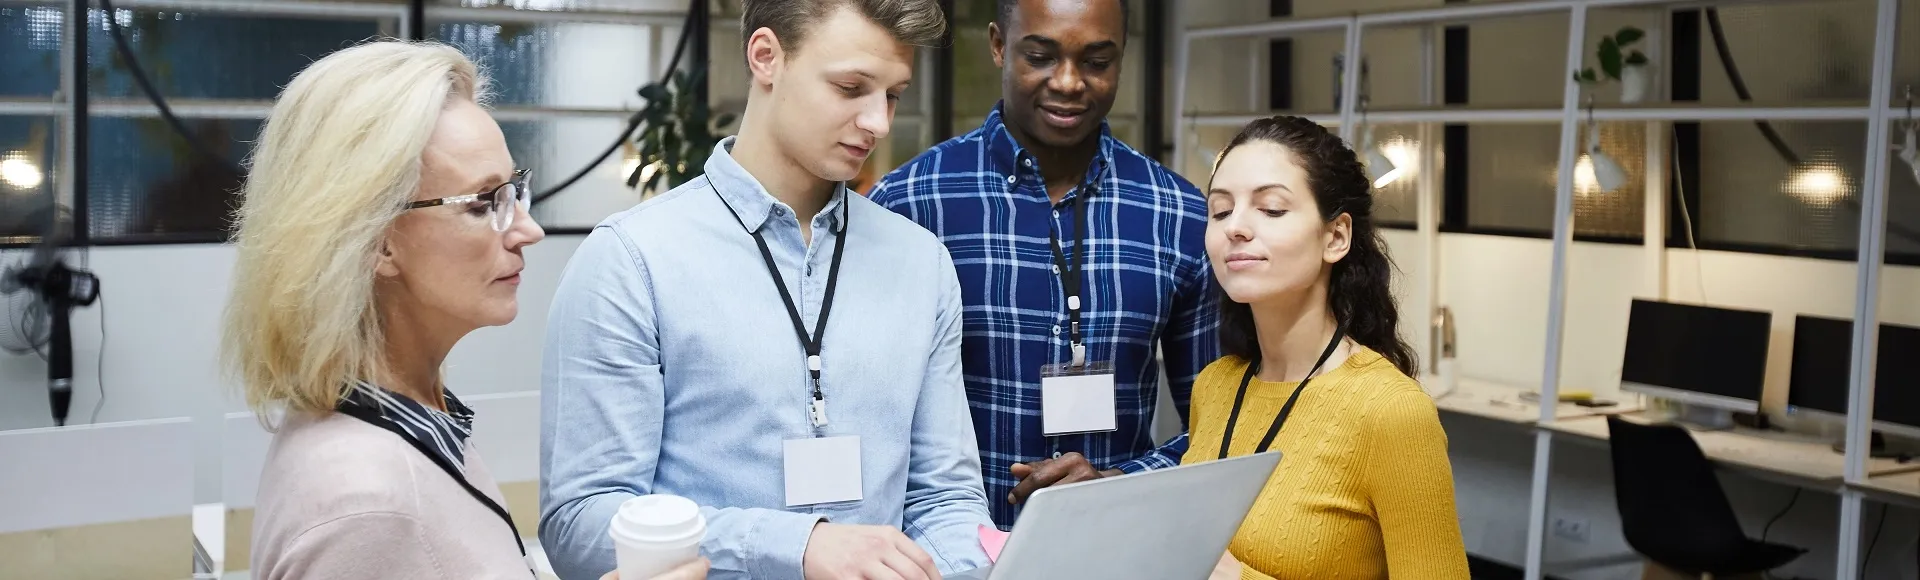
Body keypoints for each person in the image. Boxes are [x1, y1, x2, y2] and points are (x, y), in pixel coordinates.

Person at [538, 1, 995, 579]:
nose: (879, 122)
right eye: (851, 87)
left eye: (893, 95)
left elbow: (946, 498)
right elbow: (581, 524)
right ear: (766, 57)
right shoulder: (631, 261)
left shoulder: (921, 263)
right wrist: (795, 547)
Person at [223, 41, 706, 580]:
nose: (529, 230)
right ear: (375, 241)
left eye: (514, 191)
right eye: (482, 203)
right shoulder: (370, 505)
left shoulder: (411, 425)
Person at [867, 0, 1217, 528]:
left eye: (1098, 61)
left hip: (1114, 547)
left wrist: (1122, 483)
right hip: (946, 553)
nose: (1070, 82)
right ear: (998, 45)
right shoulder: (909, 204)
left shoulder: (1179, 215)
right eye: (1041, 56)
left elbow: (1220, 425)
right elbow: (869, 410)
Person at [1186, 116, 1468, 579]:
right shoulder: (1215, 386)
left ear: (1335, 236)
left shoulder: (1391, 412)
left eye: (1271, 209)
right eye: (1219, 211)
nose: (1235, 227)